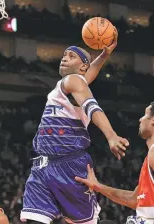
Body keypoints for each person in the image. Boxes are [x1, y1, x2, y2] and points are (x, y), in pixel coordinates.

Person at [20, 28, 129, 224]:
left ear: (82, 67)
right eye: (64, 55)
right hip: (43, 165)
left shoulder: (72, 81)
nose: (64, 58)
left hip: (68, 165)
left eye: (71, 56)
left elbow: (92, 106)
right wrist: (104, 55)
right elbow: (89, 75)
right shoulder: (72, 83)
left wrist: (111, 135)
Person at [75, 102, 154, 224]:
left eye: (145, 115)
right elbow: (133, 199)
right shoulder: (149, 157)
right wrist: (97, 186)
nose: (140, 119)